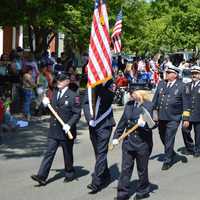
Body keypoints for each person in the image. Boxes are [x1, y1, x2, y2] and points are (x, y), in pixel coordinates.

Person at [31, 72, 81, 185]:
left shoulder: (74, 96)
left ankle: (69, 172)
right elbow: (52, 108)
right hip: (54, 129)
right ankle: (42, 176)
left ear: (67, 81)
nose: (58, 81)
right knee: (49, 152)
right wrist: (45, 103)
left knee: (67, 154)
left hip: (66, 130)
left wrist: (69, 124)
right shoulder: (54, 92)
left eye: (61, 80)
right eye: (58, 79)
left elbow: (77, 113)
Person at [112, 85, 154, 200]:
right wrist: (116, 137)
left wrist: (144, 124)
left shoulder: (149, 105)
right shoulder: (129, 105)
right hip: (128, 142)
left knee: (142, 169)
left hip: (142, 143)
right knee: (126, 168)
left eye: (132, 92)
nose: (130, 95)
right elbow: (122, 123)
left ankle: (143, 190)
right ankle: (122, 193)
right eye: (130, 92)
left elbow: (154, 125)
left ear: (139, 92)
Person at [152, 64, 189, 170]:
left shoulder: (182, 86)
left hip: (174, 117)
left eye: (168, 73)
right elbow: (155, 101)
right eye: (166, 72)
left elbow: (186, 104)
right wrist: (154, 115)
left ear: (175, 75)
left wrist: (186, 119)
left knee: (169, 138)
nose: (166, 74)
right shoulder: (161, 83)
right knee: (163, 136)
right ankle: (171, 152)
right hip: (161, 117)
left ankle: (168, 160)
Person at [83, 80, 115, 194]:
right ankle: (105, 175)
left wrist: (100, 84)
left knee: (101, 152)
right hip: (93, 124)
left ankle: (96, 182)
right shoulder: (90, 85)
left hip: (105, 123)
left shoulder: (109, 83)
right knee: (98, 152)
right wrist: (89, 118)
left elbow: (108, 99)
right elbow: (86, 103)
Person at [181, 65, 200, 157]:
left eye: (196, 73)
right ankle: (190, 147)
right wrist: (185, 117)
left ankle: (197, 149)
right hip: (189, 114)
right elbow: (185, 102)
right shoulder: (187, 86)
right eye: (192, 73)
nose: (194, 75)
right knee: (184, 130)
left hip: (199, 114)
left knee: (198, 134)